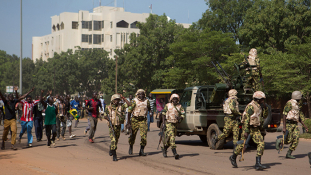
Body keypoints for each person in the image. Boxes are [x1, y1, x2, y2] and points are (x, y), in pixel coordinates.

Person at [229, 91, 268, 170]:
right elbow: (246, 119)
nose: (263, 100)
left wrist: (265, 108)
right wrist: (246, 131)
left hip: (256, 129)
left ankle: (258, 164)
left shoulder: (259, 106)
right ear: (258, 99)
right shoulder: (251, 106)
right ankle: (233, 157)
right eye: (262, 99)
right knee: (242, 145)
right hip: (248, 128)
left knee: (261, 144)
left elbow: (264, 116)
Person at [276, 91, 309, 159]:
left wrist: (304, 126)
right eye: (300, 97)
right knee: (288, 140)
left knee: (296, 139)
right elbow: (284, 114)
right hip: (289, 124)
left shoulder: (297, 105)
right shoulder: (289, 103)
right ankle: (280, 140)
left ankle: (289, 153)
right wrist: (284, 127)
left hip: (295, 124)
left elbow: (298, 117)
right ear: (297, 97)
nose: (301, 98)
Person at [103, 94, 128, 161]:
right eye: (115, 100)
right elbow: (104, 115)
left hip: (118, 125)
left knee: (116, 140)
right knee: (113, 140)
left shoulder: (121, 106)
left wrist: (123, 98)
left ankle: (111, 148)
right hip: (111, 126)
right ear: (112, 100)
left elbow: (130, 105)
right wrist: (107, 118)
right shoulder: (108, 107)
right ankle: (115, 155)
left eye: (118, 100)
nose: (116, 101)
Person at [161, 94, 185, 159]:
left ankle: (164, 149)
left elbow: (183, 114)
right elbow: (163, 113)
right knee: (172, 138)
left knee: (170, 140)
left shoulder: (180, 106)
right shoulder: (167, 105)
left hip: (175, 124)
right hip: (169, 123)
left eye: (176, 99)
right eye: (173, 99)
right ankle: (175, 153)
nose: (175, 100)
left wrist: (180, 117)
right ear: (171, 99)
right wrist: (163, 123)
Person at [127, 89, 151, 156]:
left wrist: (150, 112)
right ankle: (131, 147)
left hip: (143, 120)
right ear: (137, 94)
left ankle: (141, 150)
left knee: (144, 136)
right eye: (140, 94)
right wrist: (128, 123)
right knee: (133, 135)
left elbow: (149, 108)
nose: (141, 95)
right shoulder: (134, 101)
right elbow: (129, 112)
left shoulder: (147, 101)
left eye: (142, 94)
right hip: (135, 120)